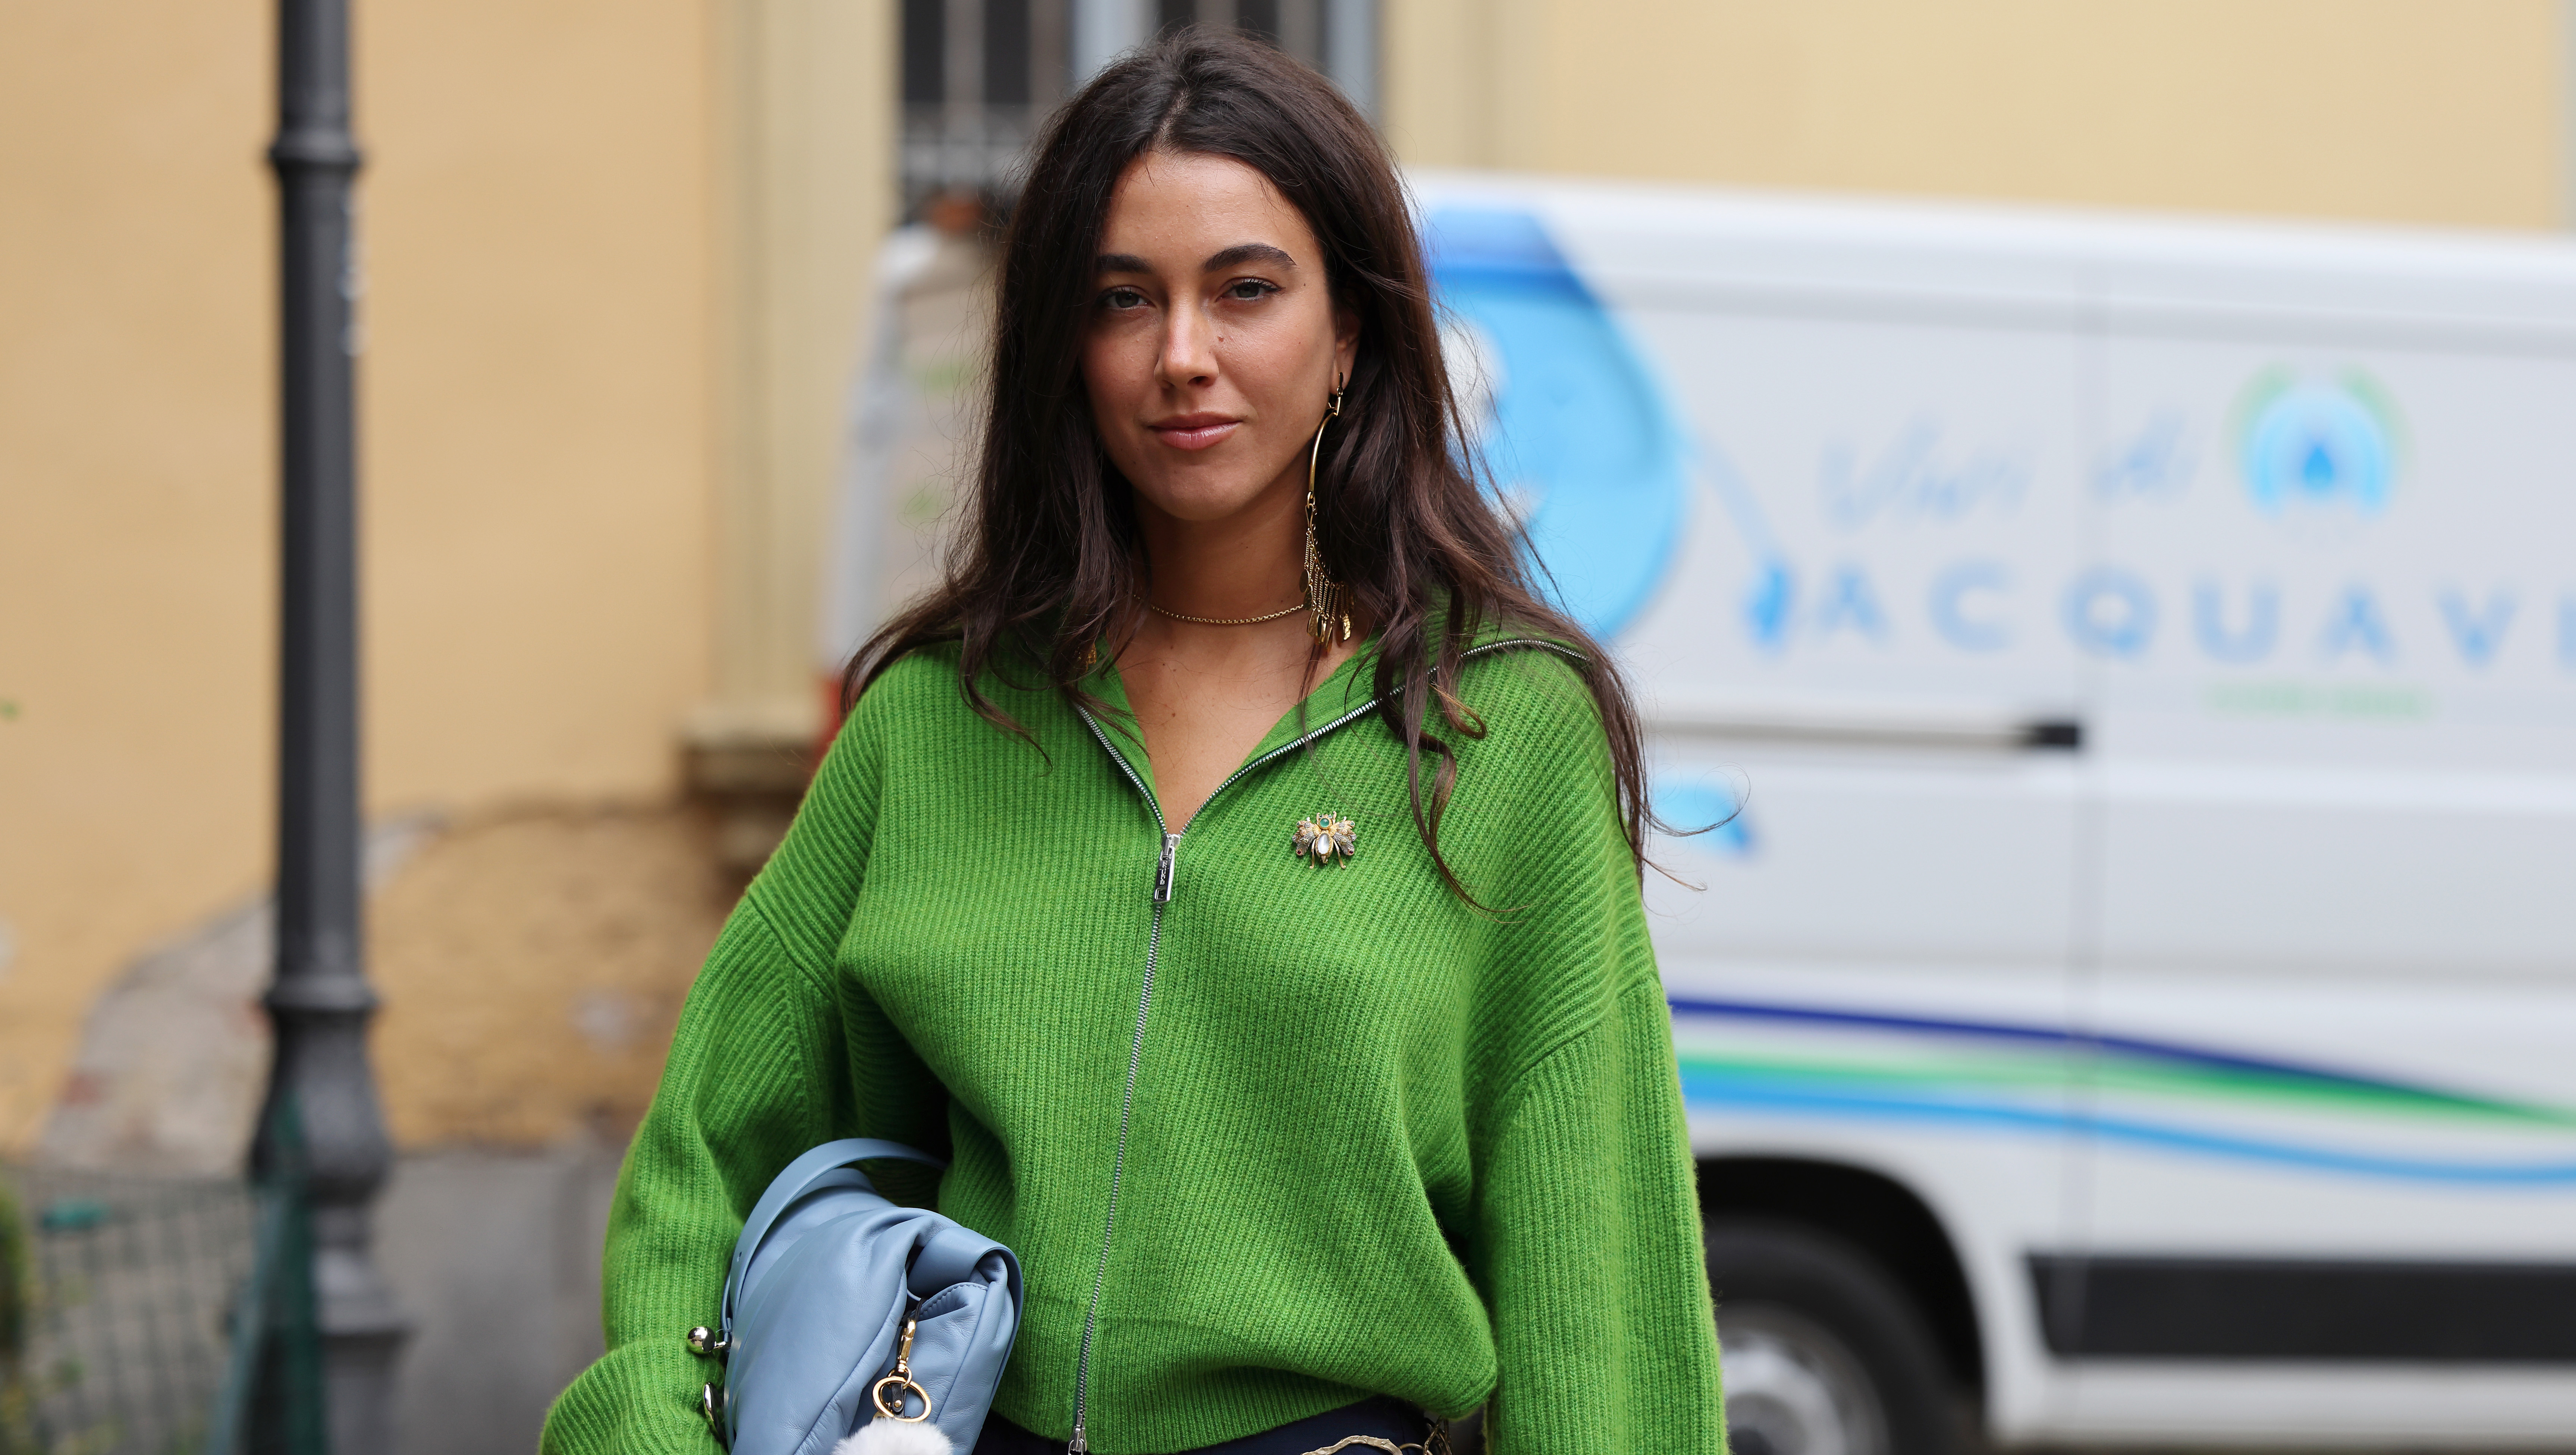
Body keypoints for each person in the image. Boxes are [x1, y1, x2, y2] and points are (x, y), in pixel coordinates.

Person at [542, 29, 1725, 1455]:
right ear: (1064, 343)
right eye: (1122, 300)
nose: (1182, 357)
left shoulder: (1498, 731)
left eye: (1245, 291)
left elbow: (1592, 1261)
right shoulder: (938, 719)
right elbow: (706, 1159)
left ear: (1346, 332)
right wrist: (651, 1431)